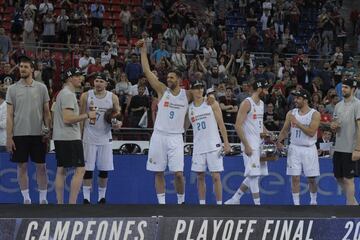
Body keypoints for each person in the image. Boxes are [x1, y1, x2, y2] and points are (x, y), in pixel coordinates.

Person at [138, 39, 193, 204]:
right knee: (158, 172)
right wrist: (143, 51)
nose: (168, 79)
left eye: (172, 77)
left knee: (178, 173)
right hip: (159, 135)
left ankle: (181, 201)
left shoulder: (187, 94)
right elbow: (147, 71)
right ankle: (162, 204)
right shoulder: (162, 90)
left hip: (176, 137)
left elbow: (201, 98)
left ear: (180, 79)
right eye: (168, 76)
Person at [6, 56, 51, 204]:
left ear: (32, 69)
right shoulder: (12, 89)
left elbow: (46, 112)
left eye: (26, 67)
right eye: (21, 66)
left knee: (42, 167)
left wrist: (48, 132)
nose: (22, 69)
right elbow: (10, 115)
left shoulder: (41, 87)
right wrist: (9, 137)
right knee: (22, 167)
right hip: (19, 135)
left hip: (38, 135)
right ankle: (26, 199)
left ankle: (43, 199)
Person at [52, 67, 96, 204]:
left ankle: (60, 204)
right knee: (80, 169)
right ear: (70, 78)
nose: (81, 79)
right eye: (77, 76)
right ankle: (72, 204)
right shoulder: (68, 95)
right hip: (69, 137)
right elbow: (68, 118)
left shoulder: (62, 94)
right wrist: (87, 115)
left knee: (61, 170)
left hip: (60, 136)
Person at [225, 79, 270, 205]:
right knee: (254, 175)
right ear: (259, 89)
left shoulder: (261, 104)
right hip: (249, 143)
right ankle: (257, 205)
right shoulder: (247, 103)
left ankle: (235, 198)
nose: (267, 92)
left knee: (254, 174)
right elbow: (238, 125)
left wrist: (268, 133)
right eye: (265, 90)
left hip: (260, 143)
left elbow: (260, 125)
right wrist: (246, 145)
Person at [80, 72, 122, 204]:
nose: (98, 83)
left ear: (106, 83)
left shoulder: (113, 97)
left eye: (101, 81)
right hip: (89, 135)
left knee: (104, 169)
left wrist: (117, 124)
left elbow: (119, 117)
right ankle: (86, 198)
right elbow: (81, 116)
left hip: (105, 137)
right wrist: (79, 136)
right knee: (87, 169)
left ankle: (101, 197)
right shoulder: (86, 96)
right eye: (96, 81)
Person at [188, 81, 231, 205]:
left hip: (214, 145)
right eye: (196, 88)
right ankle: (202, 205)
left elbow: (221, 124)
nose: (199, 90)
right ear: (192, 90)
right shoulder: (189, 108)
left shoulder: (211, 103)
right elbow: (184, 126)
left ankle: (219, 205)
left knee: (216, 177)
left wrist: (226, 143)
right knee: (200, 177)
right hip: (198, 146)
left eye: (201, 88)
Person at [276, 89, 321, 205]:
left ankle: (313, 201)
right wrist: (278, 141)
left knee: (311, 179)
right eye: (295, 98)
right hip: (294, 147)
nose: (295, 100)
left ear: (305, 100)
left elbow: (311, 132)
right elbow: (285, 130)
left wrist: (298, 123)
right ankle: (296, 204)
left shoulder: (315, 114)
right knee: (295, 177)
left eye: (298, 98)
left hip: (309, 148)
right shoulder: (291, 113)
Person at [330, 78, 360, 205]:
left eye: (346, 87)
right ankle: (353, 204)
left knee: (349, 180)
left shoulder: (358, 104)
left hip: (350, 148)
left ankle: (350, 208)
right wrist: (333, 126)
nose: (343, 89)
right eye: (342, 87)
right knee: (338, 177)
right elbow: (335, 124)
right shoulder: (338, 105)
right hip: (339, 147)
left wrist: (358, 148)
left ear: (353, 89)